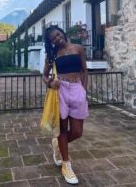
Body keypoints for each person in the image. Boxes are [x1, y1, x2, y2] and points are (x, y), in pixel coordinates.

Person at [42, 25, 89, 185]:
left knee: (77, 132)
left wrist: (84, 91)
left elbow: (84, 70)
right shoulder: (52, 55)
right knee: (62, 128)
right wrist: (49, 82)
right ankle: (66, 165)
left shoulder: (78, 48)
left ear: (62, 32)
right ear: (51, 42)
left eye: (57, 34)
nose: (56, 38)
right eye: (52, 38)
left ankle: (57, 144)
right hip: (60, 90)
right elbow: (44, 75)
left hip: (77, 89)